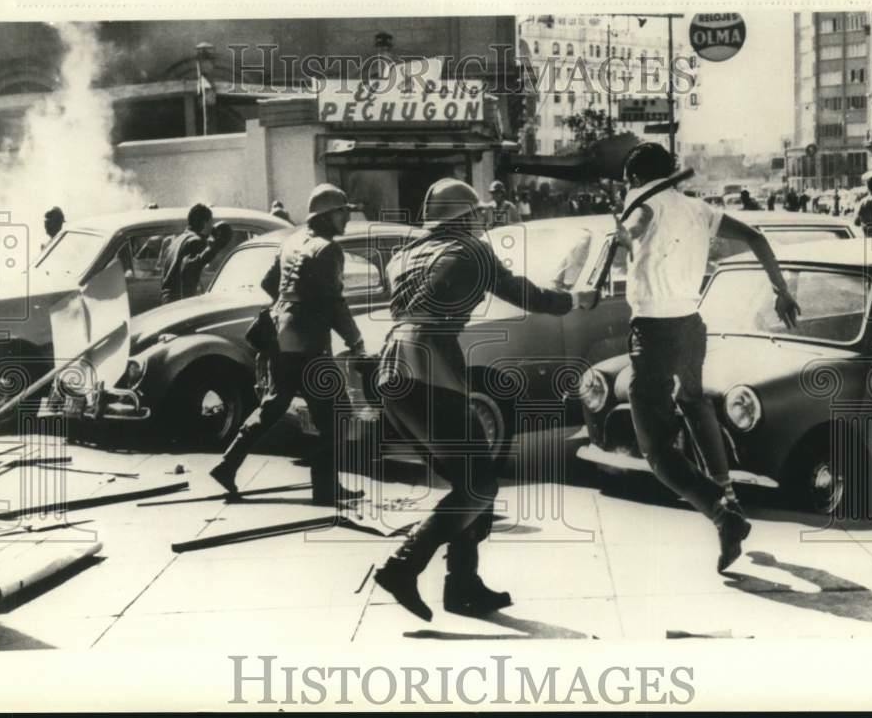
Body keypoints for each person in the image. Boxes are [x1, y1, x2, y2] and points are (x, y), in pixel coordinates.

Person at [372, 178, 598, 621]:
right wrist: (574, 299)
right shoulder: (472, 250)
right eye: (477, 215)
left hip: (391, 369)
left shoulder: (402, 257)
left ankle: (463, 585)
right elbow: (525, 296)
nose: (481, 222)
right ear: (464, 217)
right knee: (478, 484)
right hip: (429, 368)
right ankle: (403, 567)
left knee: (472, 481)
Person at [612, 144, 800, 573]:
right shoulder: (697, 210)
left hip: (654, 334)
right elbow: (756, 236)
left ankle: (722, 513)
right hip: (690, 328)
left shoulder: (642, 205)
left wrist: (627, 236)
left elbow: (638, 227)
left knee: (656, 450)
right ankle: (727, 495)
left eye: (628, 181)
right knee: (696, 405)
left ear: (636, 178)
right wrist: (781, 291)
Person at [209, 184, 366, 506]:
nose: (347, 218)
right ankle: (325, 489)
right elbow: (334, 303)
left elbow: (269, 283)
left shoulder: (291, 241)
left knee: (273, 406)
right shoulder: (328, 249)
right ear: (328, 215)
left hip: (281, 338)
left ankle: (227, 464)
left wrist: (289, 306)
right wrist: (356, 339)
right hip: (310, 344)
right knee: (336, 416)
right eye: (343, 212)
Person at [160, 203, 232, 304]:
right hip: (180, 302)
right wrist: (215, 246)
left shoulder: (177, 240)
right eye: (211, 223)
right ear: (205, 223)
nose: (212, 227)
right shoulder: (196, 241)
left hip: (168, 301)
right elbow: (190, 271)